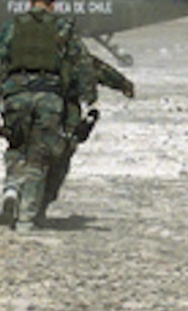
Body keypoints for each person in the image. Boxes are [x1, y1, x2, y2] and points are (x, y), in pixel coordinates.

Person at [0, 0, 94, 232]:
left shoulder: (13, 25)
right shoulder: (62, 27)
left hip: (16, 95)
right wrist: (89, 98)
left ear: (30, 3)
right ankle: (25, 219)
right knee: (38, 156)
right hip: (49, 97)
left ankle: (12, 187)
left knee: (16, 145)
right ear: (52, 5)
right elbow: (82, 62)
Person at [38, 54, 134, 221]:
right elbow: (94, 67)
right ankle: (42, 203)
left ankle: (16, 195)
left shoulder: (27, 44)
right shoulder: (73, 51)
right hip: (64, 112)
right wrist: (122, 84)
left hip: (32, 108)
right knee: (61, 156)